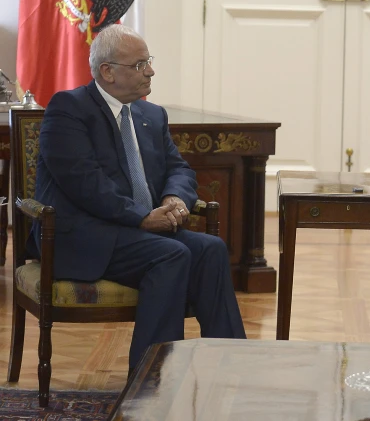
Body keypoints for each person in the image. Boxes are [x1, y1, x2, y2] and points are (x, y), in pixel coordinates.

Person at [32, 24, 247, 371]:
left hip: (139, 232)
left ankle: (231, 366)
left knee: (211, 249)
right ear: (108, 72)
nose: (151, 71)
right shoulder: (69, 109)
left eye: (149, 61)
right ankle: (151, 380)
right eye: (140, 64)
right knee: (171, 255)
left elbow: (180, 168)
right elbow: (85, 184)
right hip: (85, 235)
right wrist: (142, 216)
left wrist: (175, 198)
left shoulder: (151, 115)